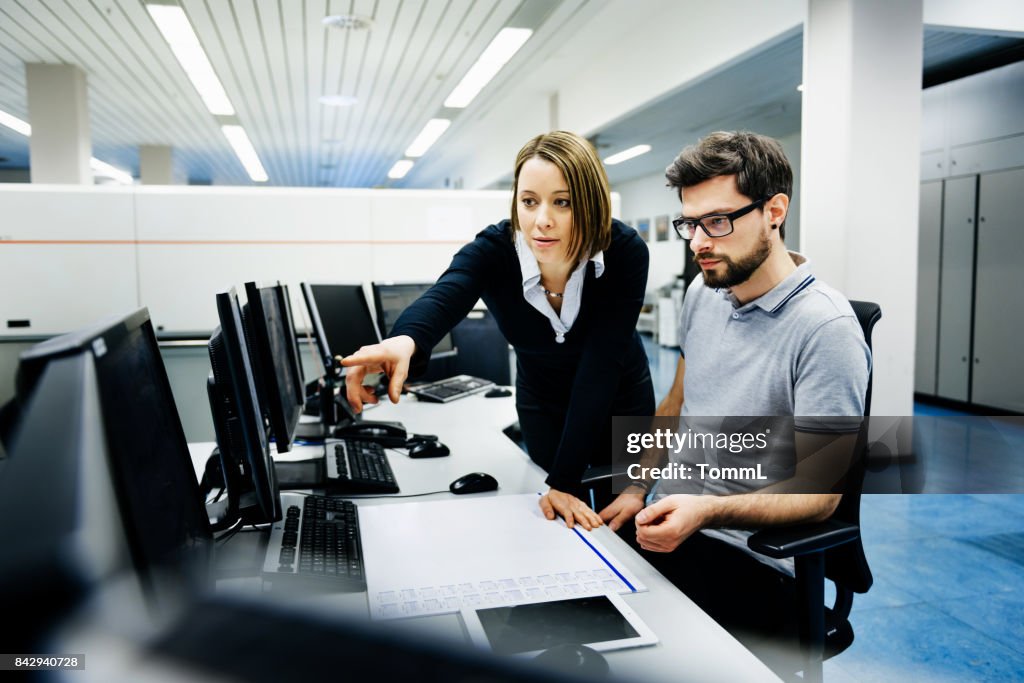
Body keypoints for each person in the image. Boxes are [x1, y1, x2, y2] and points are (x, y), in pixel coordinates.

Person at [608, 131, 870, 650]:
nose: (699, 242)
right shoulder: (703, 293)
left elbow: (820, 494)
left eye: (718, 221)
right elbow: (677, 406)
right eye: (690, 223)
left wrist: (704, 510)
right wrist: (638, 488)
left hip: (751, 555)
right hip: (669, 522)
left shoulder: (827, 329)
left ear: (775, 211)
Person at [341, 131, 655, 529]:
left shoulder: (625, 252)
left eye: (563, 202)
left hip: (619, 397)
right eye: (529, 201)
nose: (541, 220)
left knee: (621, 521)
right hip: (541, 399)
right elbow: (446, 294)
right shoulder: (494, 250)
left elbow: (601, 367)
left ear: (590, 203)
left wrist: (565, 479)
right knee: (556, 520)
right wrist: (404, 341)